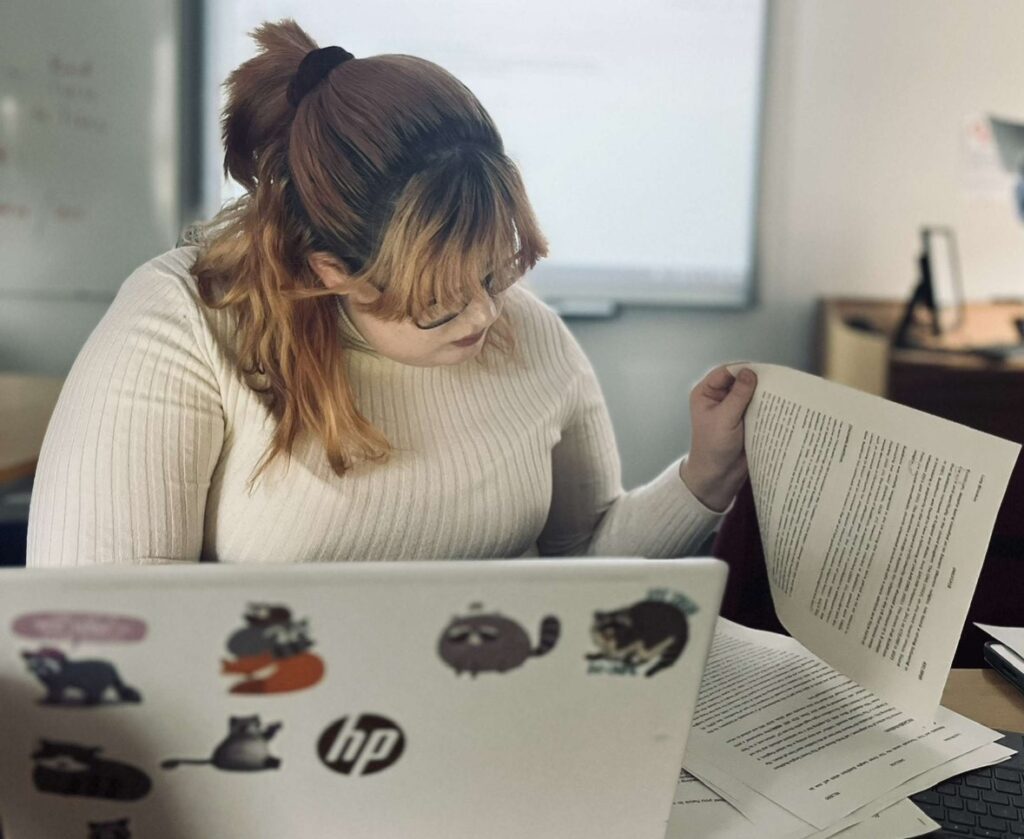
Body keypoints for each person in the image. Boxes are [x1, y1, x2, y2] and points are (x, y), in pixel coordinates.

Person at [26, 19, 756, 567]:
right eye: (437, 300)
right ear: (328, 272)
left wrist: (705, 475)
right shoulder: (182, 326)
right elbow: (99, 631)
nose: (484, 315)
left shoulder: (527, 333)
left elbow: (587, 563)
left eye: (496, 271)